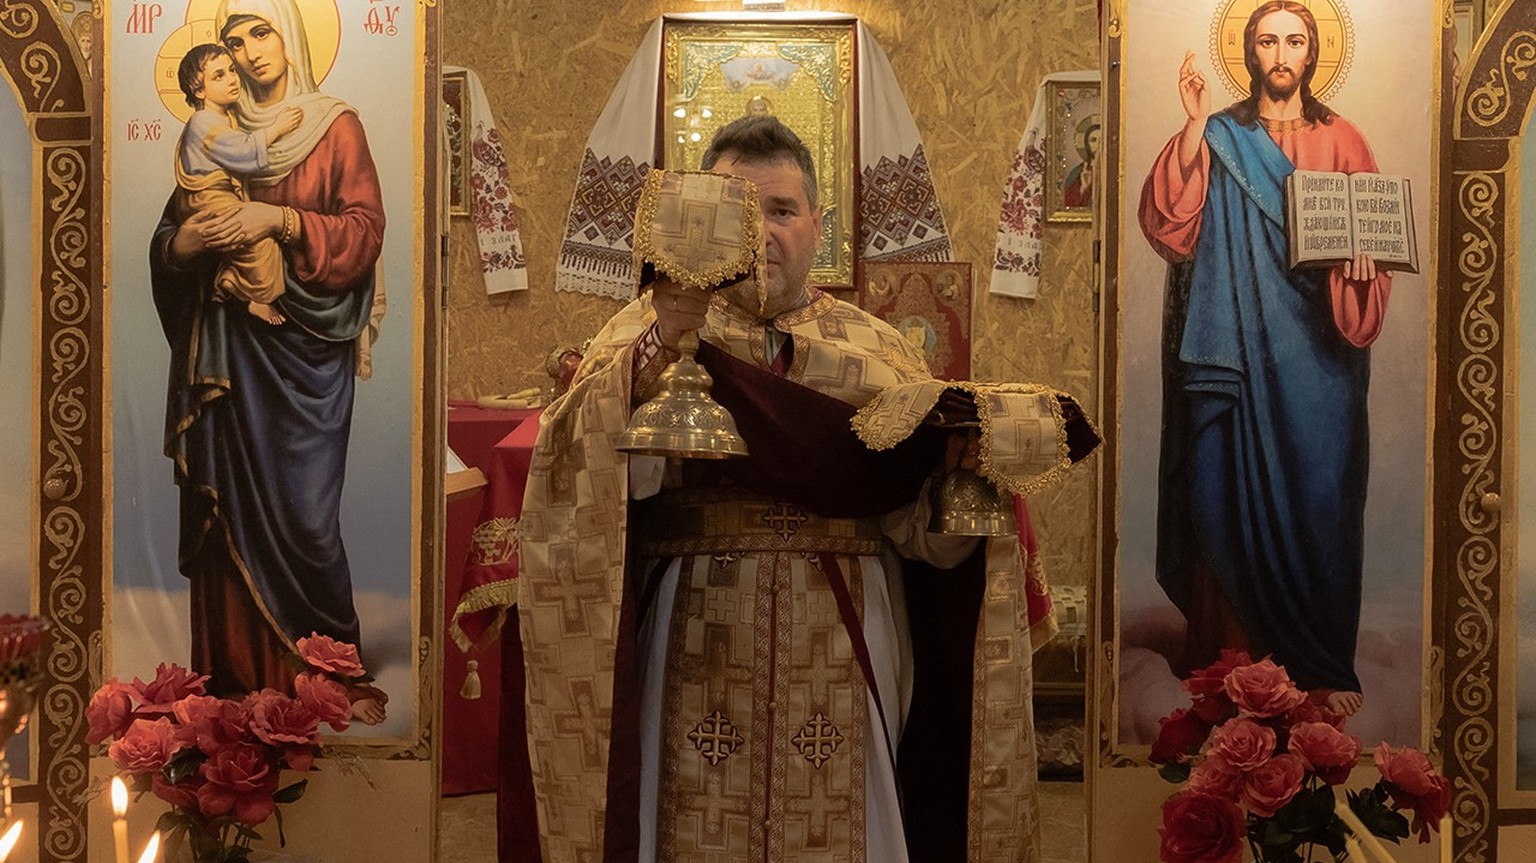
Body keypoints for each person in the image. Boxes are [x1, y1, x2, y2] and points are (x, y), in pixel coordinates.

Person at [501, 114, 1098, 862]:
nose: (762, 233)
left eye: (781, 210)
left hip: (848, 634)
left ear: (819, 224)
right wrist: (653, 359)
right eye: (738, 212)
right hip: (693, 629)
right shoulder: (641, 334)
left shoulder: (880, 350)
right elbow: (578, 478)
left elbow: (922, 538)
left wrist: (963, 482)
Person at [1138, 0, 1392, 716]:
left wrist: (1362, 271)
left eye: (1295, 41)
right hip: (1237, 350)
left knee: (1322, 498)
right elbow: (1171, 226)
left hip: (1320, 363)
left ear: (1312, 53)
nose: (1281, 54)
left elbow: (1374, 244)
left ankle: (1321, 666)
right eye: (1268, 41)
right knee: (1226, 481)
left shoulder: (1344, 140)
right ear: (1249, 52)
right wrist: (1193, 124)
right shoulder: (1220, 135)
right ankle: (1234, 659)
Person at [149, 0, 388, 723]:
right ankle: (231, 681)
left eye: (262, 32)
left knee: (308, 519)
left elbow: (363, 232)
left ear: (292, 38)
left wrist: (277, 219)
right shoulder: (220, 132)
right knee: (227, 515)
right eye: (233, 41)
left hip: (307, 355)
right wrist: (187, 244)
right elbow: (172, 237)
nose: (249, 51)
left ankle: (329, 674)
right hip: (230, 355)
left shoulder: (333, 126)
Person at [173, 42, 302, 326]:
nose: (233, 79)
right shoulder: (203, 121)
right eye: (219, 76)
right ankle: (259, 300)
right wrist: (276, 129)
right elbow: (242, 151)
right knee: (262, 244)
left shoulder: (223, 117)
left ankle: (230, 279)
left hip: (216, 195)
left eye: (232, 70)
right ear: (199, 91)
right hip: (208, 197)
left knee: (244, 240)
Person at [1062, 116, 1099, 207]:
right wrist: (1083, 188)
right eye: (1093, 140)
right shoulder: (1078, 172)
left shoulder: (1114, 171)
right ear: (1087, 144)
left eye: (1102, 140)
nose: (1099, 144)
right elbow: (1067, 205)